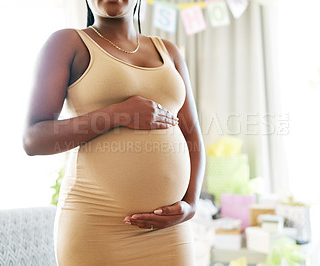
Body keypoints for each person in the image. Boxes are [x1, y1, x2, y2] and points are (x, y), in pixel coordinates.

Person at [23, 0, 205, 264]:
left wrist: (191, 205)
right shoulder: (68, 44)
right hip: (96, 229)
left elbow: (192, 136)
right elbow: (34, 139)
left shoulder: (169, 52)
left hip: (170, 231)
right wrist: (119, 114)